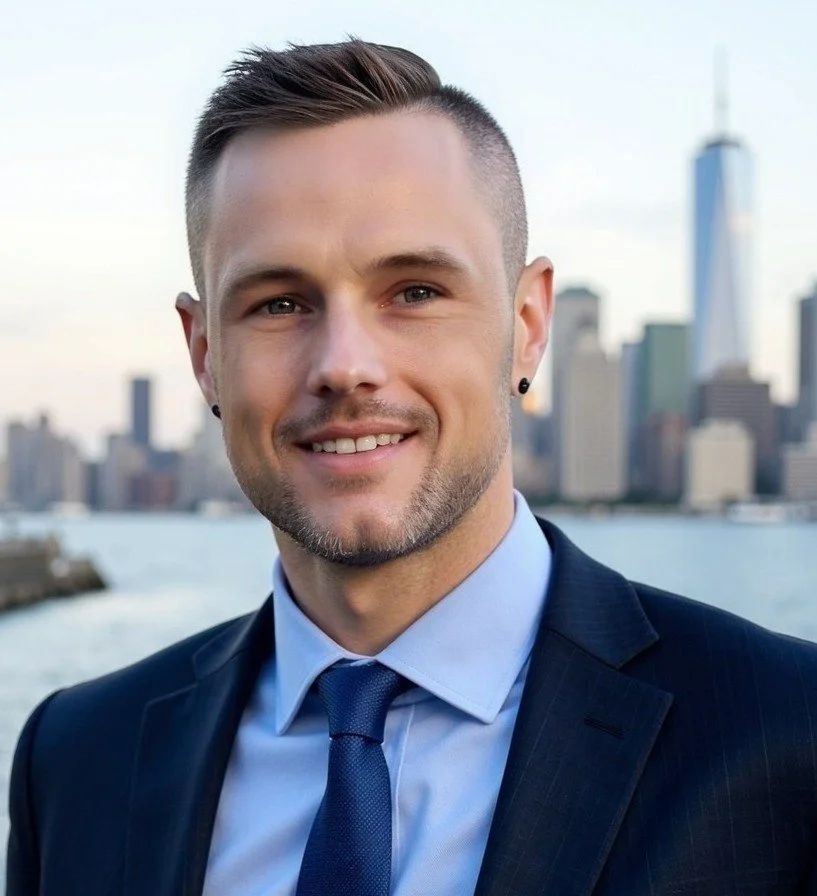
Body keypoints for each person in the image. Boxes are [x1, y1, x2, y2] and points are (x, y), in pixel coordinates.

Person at [6, 38, 817, 896]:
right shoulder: (76, 757)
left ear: (528, 322)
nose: (344, 364)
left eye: (415, 291)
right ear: (205, 352)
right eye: (279, 303)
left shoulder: (785, 735)